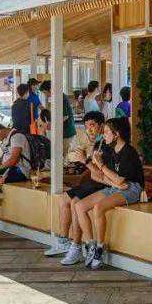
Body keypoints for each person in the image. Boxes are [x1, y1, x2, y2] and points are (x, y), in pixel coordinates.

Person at [73, 117, 145, 269]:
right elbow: (105, 177)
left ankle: (100, 247)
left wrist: (101, 165)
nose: (103, 135)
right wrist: (111, 180)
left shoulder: (129, 152)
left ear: (116, 134)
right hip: (117, 186)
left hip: (132, 188)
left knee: (98, 207)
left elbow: (120, 180)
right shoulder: (112, 151)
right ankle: (91, 245)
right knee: (79, 206)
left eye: (106, 132)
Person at [45, 111, 107, 261]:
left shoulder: (105, 144)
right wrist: (84, 156)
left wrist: (85, 158)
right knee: (63, 199)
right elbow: (71, 155)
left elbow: (100, 172)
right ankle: (63, 241)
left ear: (102, 126)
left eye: (92, 125)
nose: (89, 129)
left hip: (101, 183)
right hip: (92, 179)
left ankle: (76, 245)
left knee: (74, 202)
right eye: (86, 126)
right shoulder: (86, 138)